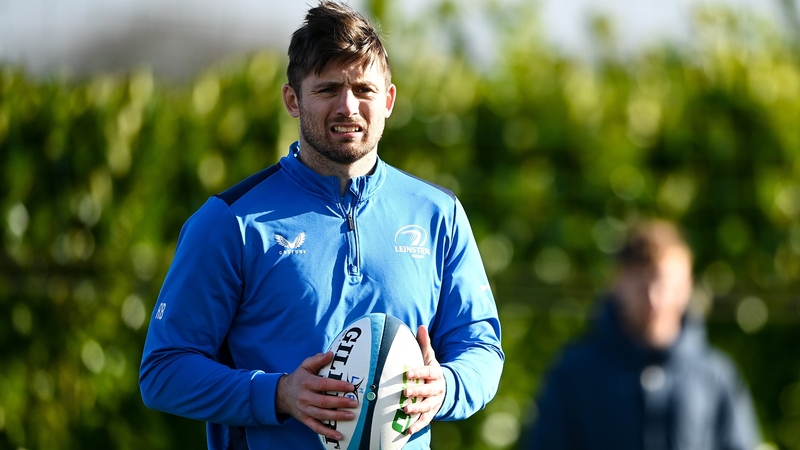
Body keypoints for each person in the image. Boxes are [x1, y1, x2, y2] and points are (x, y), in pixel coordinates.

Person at [138, 2, 504, 449]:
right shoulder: (231, 221)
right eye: (328, 89)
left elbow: (482, 349)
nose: (348, 106)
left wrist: (444, 387)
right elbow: (163, 371)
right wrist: (278, 393)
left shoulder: (438, 213)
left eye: (363, 89)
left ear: (388, 100)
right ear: (293, 100)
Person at [519, 219, 761, 450]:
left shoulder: (716, 377)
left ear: (687, 284)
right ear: (617, 283)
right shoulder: (573, 374)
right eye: (642, 286)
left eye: (666, 285)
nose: (654, 299)